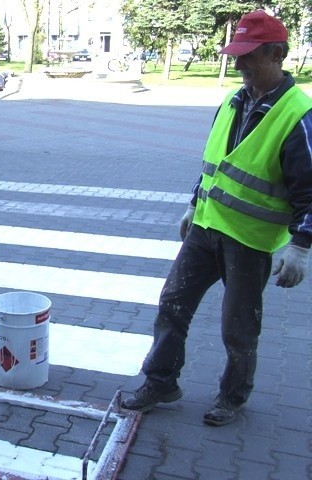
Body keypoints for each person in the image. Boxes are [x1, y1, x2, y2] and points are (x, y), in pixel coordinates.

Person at [122, 10, 312, 426]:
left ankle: (233, 396)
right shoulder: (233, 101)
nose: (240, 63)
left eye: (249, 56)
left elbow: (309, 190)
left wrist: (300, 246)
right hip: (207, 228)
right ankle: (161, 381)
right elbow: (215, 163)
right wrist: (194, 204)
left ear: (277, 54)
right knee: (172, 303)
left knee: (238, 327)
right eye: (237, 55)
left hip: (249, 239)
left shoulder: (298, 114)